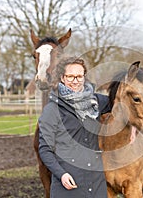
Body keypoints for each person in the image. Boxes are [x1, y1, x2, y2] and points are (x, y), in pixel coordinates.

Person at [38, 56, 110, 198]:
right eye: (70, 77)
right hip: (69, 184)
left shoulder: (96, 102)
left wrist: (133, 129)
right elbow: (45, 149)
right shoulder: (52, 110)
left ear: (84, 77)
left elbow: (124, 104)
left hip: (97, 185)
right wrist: (61, 174)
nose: (75, 81)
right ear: (62, 78)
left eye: (79, 76)